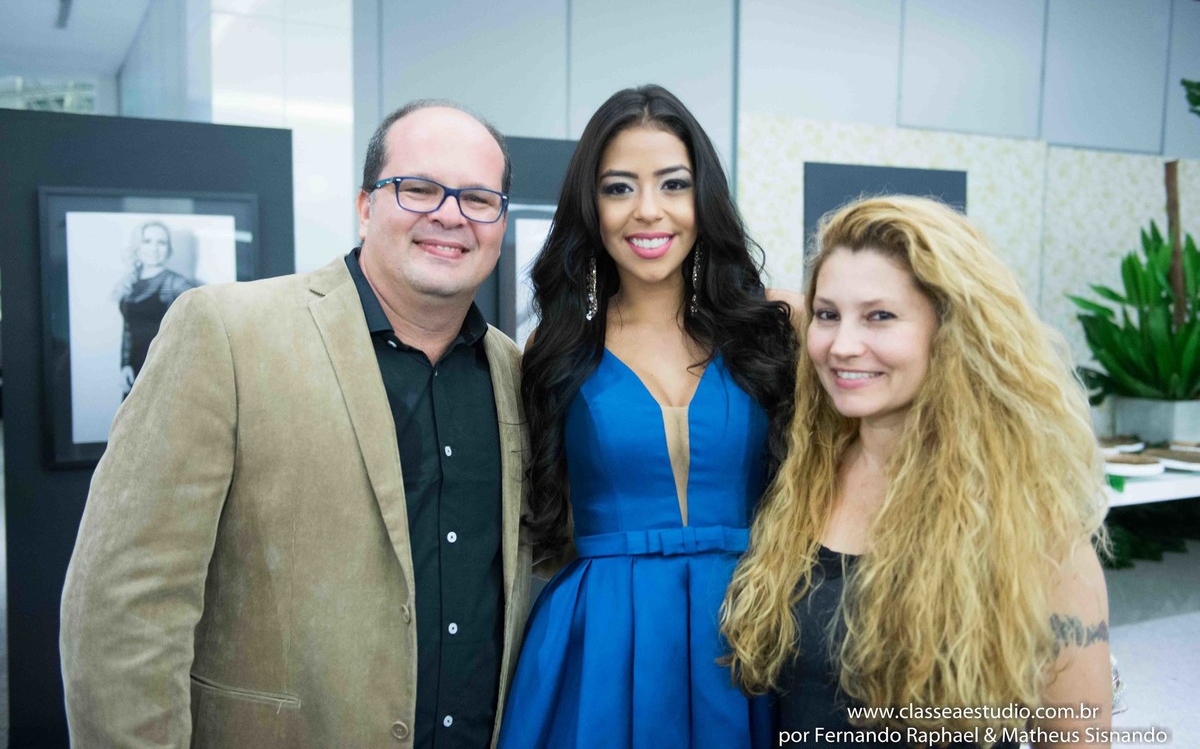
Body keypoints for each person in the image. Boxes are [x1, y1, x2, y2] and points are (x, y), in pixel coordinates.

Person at [60, 101, 532, 748]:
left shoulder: (516, 374)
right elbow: (126, 605)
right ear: (365, 206)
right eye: (419, 188)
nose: (450, 214)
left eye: (478, 199)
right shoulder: (226, 333)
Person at [721, 196, 1113, 749]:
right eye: (828, 315)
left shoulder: (1031, 521)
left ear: (952, 331)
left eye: (879, 316)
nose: (843, 346)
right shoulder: (801, 479)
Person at [498, 84, 801, 749]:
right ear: (592, 206)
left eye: (673, 184)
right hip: (602, 637)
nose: (647, 210)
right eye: (619, 188)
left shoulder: (774, 329)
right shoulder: (554, 350)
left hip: (749, 625)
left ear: (703, 198)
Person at [116, 220, 196, 395]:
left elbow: (199, 326)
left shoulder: (175, 283)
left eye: (161, 242)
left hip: (166, 371)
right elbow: (128, 329)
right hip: (135, 371)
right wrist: (125, 365)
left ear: (169, 249)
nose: (154, 248)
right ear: (138, 245)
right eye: (147, 241)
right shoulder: (130, 282)